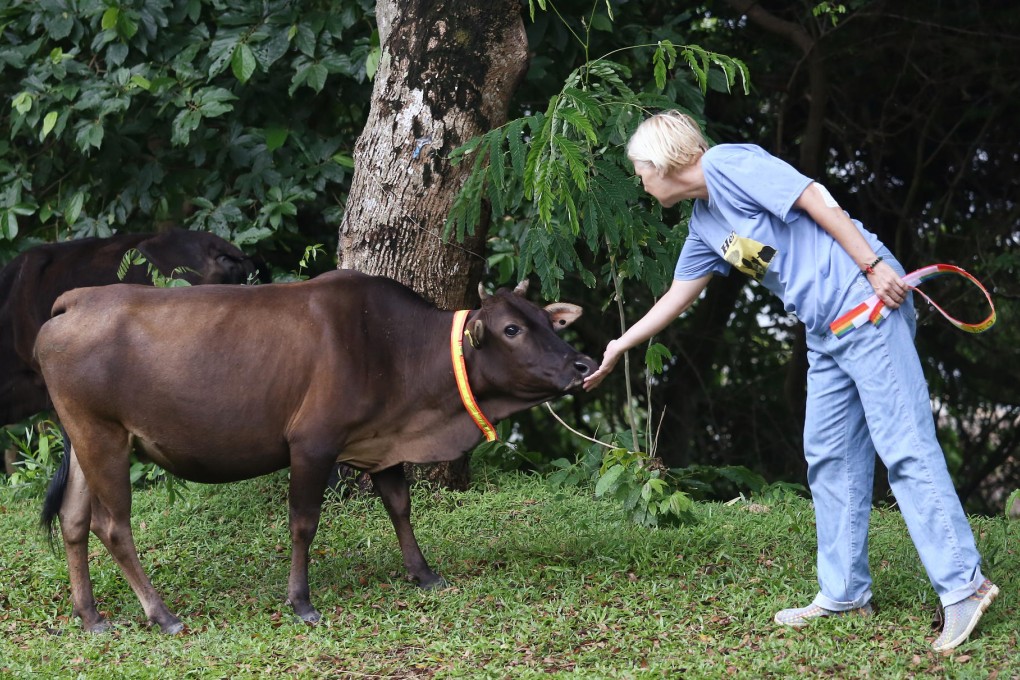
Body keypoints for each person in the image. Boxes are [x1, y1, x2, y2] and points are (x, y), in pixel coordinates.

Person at [583, 110, 998, 652]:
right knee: (828, 453)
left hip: (867, 301)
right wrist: (618, 345)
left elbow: (816, 200)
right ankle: (846, 593)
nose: (637, 179)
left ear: (662, 160)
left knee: (904, 447)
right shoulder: (705, 224)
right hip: (825, 330)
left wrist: (872, 265)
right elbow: (676, 297)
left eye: (639, 167)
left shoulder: (730, 164)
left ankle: (964, 586)